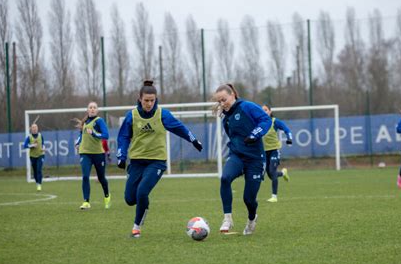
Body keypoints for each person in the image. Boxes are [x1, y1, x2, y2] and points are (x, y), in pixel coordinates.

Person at [117, 80, 203, 238]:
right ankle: (144, 205)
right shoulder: (132, 116)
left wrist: (193, 140)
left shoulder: (162, 114)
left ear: (156, 99)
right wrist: (121, 156)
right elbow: (123, 137)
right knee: (130, 199)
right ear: (139, 98)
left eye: (152, 100)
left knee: (142, 192)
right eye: (146, 100)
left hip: (156, 161)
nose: (149, 104)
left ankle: (136, 228)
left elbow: (179, 128)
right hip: (136, 161)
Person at [213, 84, 272, 235]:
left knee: (249, 199)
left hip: (255, 159)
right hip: (237, 156)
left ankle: (252, 219)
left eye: (224, 99)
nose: (222, 103)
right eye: (219, 101)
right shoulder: (225, 119)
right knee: (225, 178)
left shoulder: (247, 106)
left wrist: (254, 134)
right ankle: (227, 218)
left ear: (232, 95)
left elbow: (265, 120)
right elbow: (233, 137)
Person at [74, 102, 111, 210]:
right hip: (85, 153)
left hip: (98, 154)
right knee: (85, 176)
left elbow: (106, 135)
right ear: (87, 110)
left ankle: (107, 195)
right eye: (90, 107)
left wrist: (94, 133)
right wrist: (78, 143)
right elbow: (82, 135)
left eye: (94, 107)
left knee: (101, 178)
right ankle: (86, 202)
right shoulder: (85, 121)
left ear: (97, 110)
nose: (92, 109)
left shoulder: (99, 121)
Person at [261, 104, 293, 203]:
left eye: (266, 110)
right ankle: (283, 173)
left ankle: (274, 196)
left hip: (274, 150)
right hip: (264, 152)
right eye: (262, 110)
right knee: (270, 175)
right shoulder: (258, 122)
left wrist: (289, 138)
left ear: (270, 111)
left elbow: (287, 129)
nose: (264, 112)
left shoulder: (275, 121)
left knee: (272, 170)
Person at [23, 123, 45, 191]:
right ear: (31, 129)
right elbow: (25, 146)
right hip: (32, 156)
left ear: (37, 128)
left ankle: (39, 184)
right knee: (35, 171)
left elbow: (43, 144)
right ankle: (37, 182)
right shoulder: (29, 137)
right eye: (33, 127)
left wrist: (43, 148)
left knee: (39, 169)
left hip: (41, 155)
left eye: (36, 127)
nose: (35, 129)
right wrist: (32, 145)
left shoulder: (41, 135)